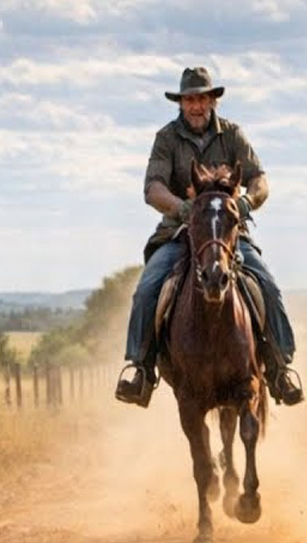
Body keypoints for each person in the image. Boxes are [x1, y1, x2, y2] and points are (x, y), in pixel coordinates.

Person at [115, 66, 303, 408]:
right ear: (181, 103)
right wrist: (183, 208)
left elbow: (260, 179)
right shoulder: (166, 138)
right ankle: (140, 369)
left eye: (202, 98)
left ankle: (280, 368)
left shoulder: (232, 134)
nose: (196, 106)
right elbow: (152, 188)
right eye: (189, 100)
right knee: (147, 289)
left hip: (227, 233)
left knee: (268, 285)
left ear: (213, 100)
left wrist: (246, 202)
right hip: (179, 232)